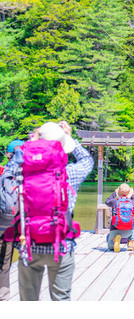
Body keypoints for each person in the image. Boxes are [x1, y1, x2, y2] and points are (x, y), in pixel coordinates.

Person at [17, 121, 94, 301]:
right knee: (60, 299)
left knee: (28, 303)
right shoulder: (69, 173)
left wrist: (32, 142)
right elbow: (87, 161)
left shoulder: (21, 171)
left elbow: (10, 166)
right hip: (61, 246)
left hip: (29, 245)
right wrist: (69, 136)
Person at [0, 139, 24, 301]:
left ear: (9, 155)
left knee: (4, 260)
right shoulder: (36, 172)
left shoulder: (3, 172)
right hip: (28, 224)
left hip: (5, 222)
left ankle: (3, 295)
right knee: (32, 259)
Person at [105, 183, 134, 252]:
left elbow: (107, 201)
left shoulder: (115, 201)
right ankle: (130, 241)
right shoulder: (133, 202)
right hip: (129, 231)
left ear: (118, 192)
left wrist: (114, 193)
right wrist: (132, 195)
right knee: (133, 218)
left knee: (110, 246)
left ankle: (115, 240)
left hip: (115, 229)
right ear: (130, 193)